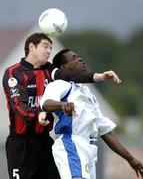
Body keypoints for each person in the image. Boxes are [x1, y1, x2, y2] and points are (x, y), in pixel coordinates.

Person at [2, 33, 121, 179]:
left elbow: (72, 75)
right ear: (31, 47)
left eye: (50, 48)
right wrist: (37, 114)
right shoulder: (13, 72)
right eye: (45, 46)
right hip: (21, 144)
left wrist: (100, 76)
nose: (48, 51)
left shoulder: (49, 70)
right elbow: (18, 106)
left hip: (45, 141)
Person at [40, 49, 143, 179]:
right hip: (71, 144)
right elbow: (45, 104)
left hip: (90, 149)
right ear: (64, 67)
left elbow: (105, 131)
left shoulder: (88, 94)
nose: (80, 59)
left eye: (79, 57)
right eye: (74, 58)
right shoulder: (60, 85)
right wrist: (61, 105)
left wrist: (131, 159)